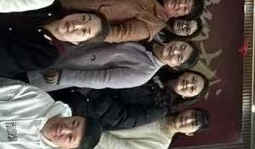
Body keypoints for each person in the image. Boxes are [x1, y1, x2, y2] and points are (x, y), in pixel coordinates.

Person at [28, 36, 199, 91]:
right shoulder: (151, 35)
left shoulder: (143, 74)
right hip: (64, 45)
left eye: (179, 57)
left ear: (174, 67)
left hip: (62, 68)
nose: (175, 51)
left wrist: (64, 77)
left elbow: (102, 80)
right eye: (181, 46)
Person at [60, 0, 203, 42]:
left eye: (184, 9)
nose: (180, 3)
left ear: (179, 16)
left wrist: (82, 31)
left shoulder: (152, 25)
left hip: (75, 14)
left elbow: (114, 35)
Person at [66, 69, 209, 129]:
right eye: (193, 79)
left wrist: (92, 91)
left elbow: (122, 118)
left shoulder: (160, 109)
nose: (188, 84)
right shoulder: (158, 69)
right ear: (187, 72)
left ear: (186, 97)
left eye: (192, 89)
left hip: (84, 103)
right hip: (87, 75)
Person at [90, 106, 209, 149]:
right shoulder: (160, 108)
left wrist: (89, 130)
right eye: (192, 114)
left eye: (193, 124)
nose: (188, 119)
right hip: (93, 112)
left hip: (89, 138)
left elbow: (116, 147)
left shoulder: (159, 146)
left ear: (189, 133)